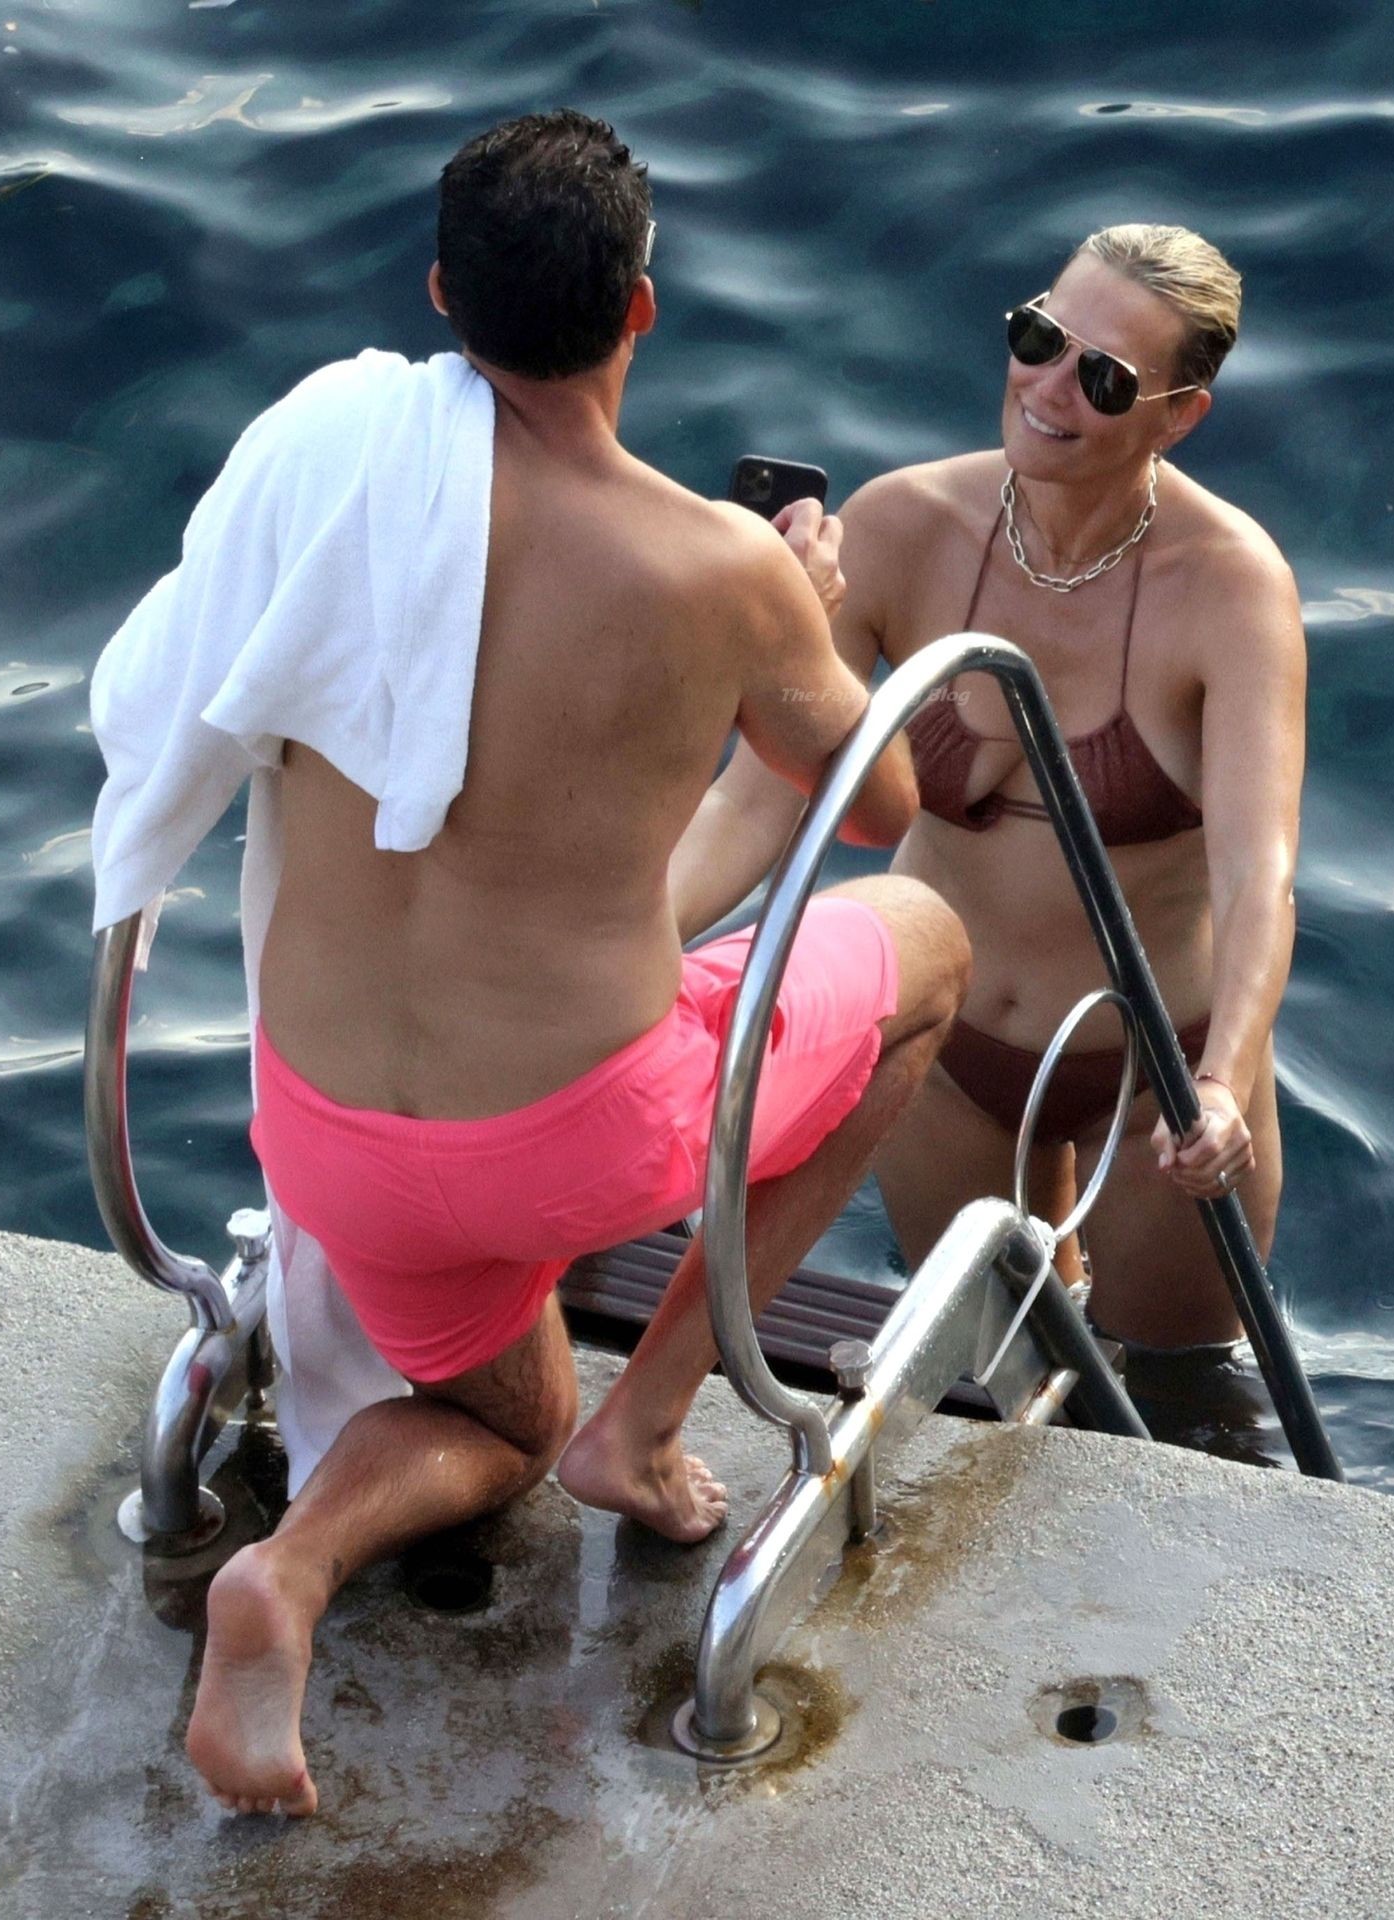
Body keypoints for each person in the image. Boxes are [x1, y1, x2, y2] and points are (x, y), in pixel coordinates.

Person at [183, 111, 972, 1817]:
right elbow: (881, 804)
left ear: (439, 295)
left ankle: (288, 1572)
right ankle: (651, 1423)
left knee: (501, 1424)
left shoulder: (334, 492)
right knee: (925, 942)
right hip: (573, 1133)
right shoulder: (715, 565)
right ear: (640, 308)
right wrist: (802, 605)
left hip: (329, 1136)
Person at [673, 223, 1306, 1357]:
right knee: (982, 1371)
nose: (1049, 388)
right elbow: (751, 806)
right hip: (944, 1054)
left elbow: (1259, 875)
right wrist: (622, 950)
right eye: (1039, 337)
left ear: (1178, 416)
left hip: (1156, 1074)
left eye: (1104, 380)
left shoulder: (1230, 587)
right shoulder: (904, 525)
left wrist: (1220, 1082)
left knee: (1177, 1399)